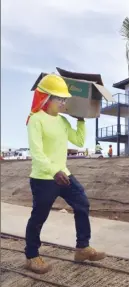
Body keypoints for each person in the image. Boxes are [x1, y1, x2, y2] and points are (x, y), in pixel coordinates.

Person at [25, 74, 105, 274]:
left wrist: (81, 121)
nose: (63, 102)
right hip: (44, 178)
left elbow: (78, 141)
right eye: (59, 98)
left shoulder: (62, 121)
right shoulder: (36, 120)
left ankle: (82, 248)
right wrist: (54, 171)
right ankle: (32, 255)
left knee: (82, 204)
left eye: (64, 99)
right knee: (39, 216)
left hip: (64, 174)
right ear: (46, 98)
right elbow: (37, 153)